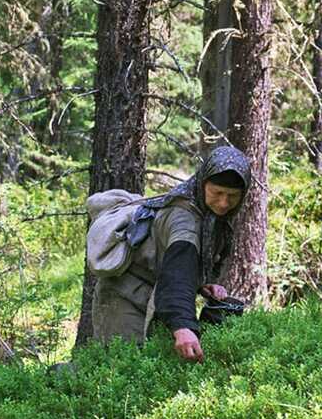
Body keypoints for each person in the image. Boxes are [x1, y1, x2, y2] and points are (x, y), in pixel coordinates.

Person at [89, 146, 251, 362]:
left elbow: (179, 261)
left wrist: (201, 284)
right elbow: (177, 271)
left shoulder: (209, 214)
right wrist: (183, 325)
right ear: (203, 184)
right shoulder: (184, 219)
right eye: (217, 193)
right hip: (124, 295)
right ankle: (54, 382)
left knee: (150, 367)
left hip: (154, 296)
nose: (224, 203)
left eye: (232, 196)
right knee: (121, 369)